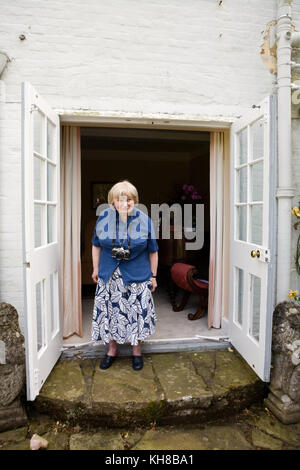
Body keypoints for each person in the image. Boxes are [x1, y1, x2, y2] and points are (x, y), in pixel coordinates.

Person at [91, 180, 159, 371]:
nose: (125, 203)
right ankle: (112, 349)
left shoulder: (145, 220)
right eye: (120, 199)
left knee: (135, 312)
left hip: (137, 275)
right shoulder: (103, 218)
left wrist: (153, 276)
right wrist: (96, 268)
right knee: (111, 313)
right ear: (112, 201)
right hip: (109, 274)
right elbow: (96, 244)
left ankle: (136, 350)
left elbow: (153, 251)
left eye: (129, 199)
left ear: (134, 200)